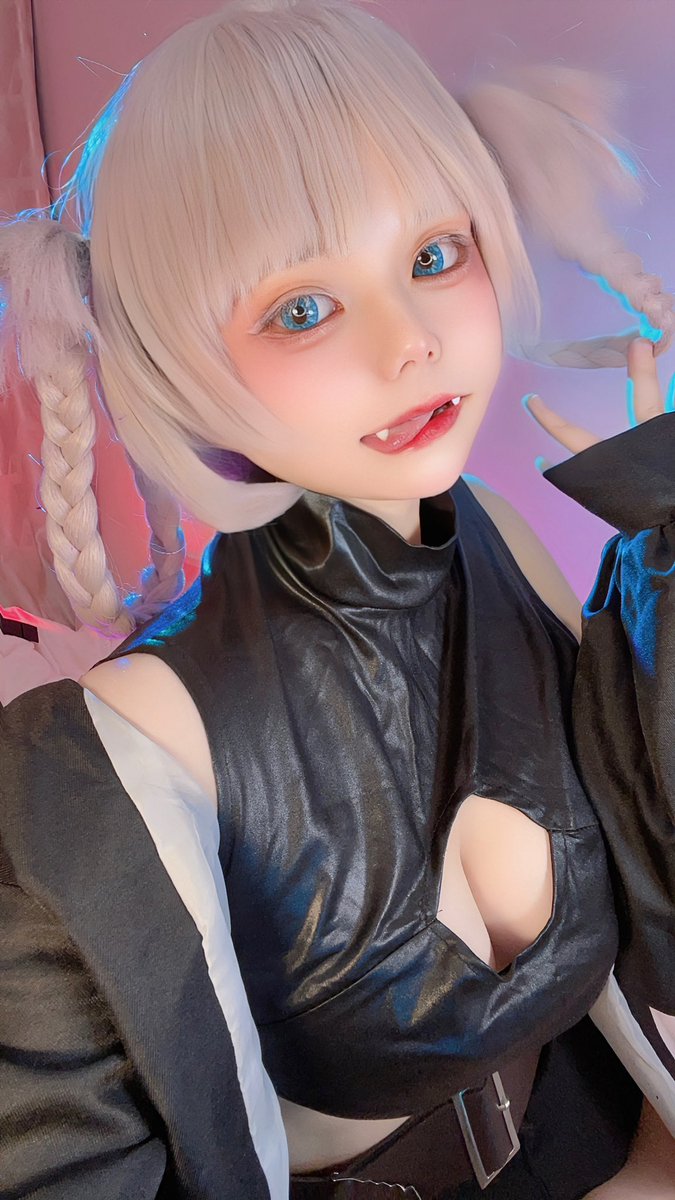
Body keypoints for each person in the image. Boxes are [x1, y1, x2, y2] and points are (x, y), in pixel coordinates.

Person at [0, 1, 673, 1196]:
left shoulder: (499, 541)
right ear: (172, 362)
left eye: (433, 256)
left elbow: (652, 865)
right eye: (302, 310)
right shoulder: (124, 748)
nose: (409, 341)